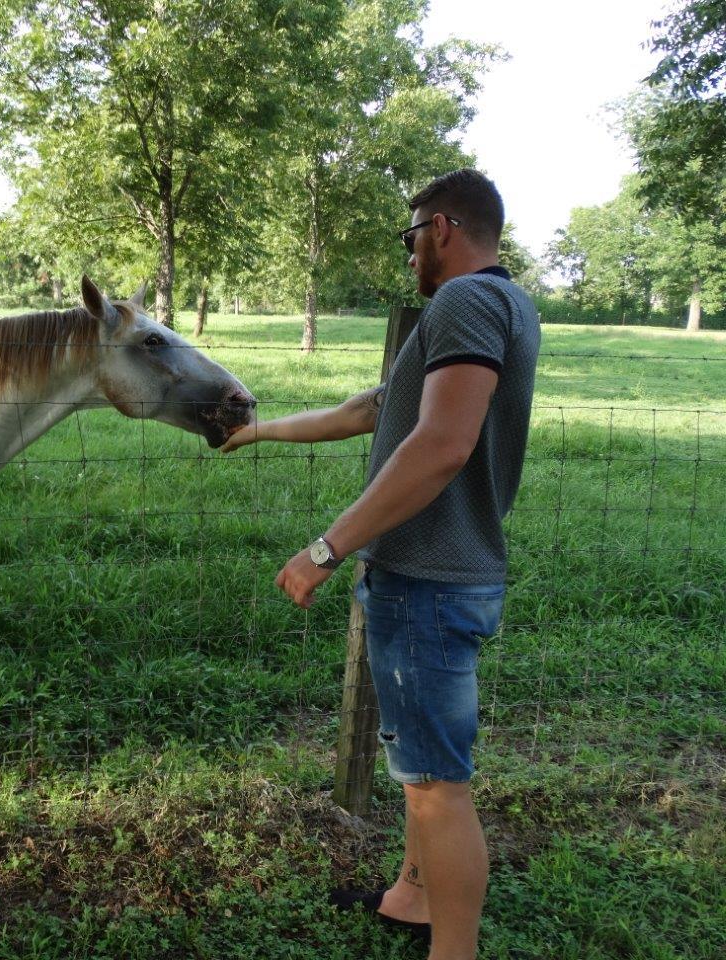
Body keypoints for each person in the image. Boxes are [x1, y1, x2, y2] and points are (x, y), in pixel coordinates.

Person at [222, 169, 540, 960]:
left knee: (438, 787)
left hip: (430, 579)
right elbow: (372, 410)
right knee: (422, 767)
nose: (407, 259)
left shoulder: (466, 302)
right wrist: (258, 431)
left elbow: (440, 443)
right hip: (437, 576)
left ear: (441, 228)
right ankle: (411, 897)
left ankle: (452, 949)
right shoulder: (504, 305)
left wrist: (327, 548)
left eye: (409, 240)